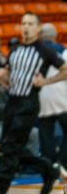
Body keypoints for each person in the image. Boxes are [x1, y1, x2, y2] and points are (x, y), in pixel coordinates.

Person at [0, 13, 67, 194]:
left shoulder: (44, 50)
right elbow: (10, 81)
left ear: (38, 28)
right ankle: (48, 168)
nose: (26, 27)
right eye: (24, 23)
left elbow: (65, 70)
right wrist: (2, 78)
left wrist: (46, 82)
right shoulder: (14, 50)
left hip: (29, 103)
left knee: (11, 148)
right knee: (10, 147)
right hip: (12, 102)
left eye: (30, 24)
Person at [38, 36, 67, 172]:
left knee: (46, 134)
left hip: (42, 96)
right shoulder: (62, 49)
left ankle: (48, 165)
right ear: (54, 36)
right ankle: (62, 162)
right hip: (61, 95)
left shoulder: (34, 50)